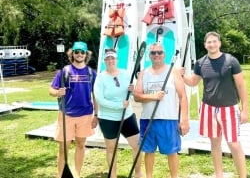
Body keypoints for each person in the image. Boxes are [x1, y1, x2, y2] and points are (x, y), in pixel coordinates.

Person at [181, 31, 249, 178]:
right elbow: (193, 82)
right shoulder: (200, 63)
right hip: (208, 108)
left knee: (234, 144)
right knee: (215, 143)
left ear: (219, 43)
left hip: (229, 108)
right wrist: (182, 75)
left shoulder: (231, 61)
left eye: (214, 41)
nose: (212, 44)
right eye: (209, 42)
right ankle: (219, 174)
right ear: (205, 45)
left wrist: (245, 110)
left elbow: (241, 86)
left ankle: (243, 176)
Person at [133, 43, 189, 178]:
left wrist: (184, 120)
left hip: (168, 119)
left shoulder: (173, 71)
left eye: (159, 52)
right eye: (153, 53)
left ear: (164, 54)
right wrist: (153, 96)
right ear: (149, 55)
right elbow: (137, 96)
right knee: (148, 151)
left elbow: (183, 97)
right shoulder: (143, 74)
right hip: (148, 119)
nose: (156, 55)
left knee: (172, 152)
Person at [49, 41, 98, 178]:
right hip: (67, 114)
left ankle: (77, 174)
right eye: (77, 51)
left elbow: (96, 95)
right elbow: (51, 90)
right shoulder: (64, 71)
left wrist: (96, 115)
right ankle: (61, 175)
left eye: (82, 52)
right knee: (63, 148)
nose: (79, 54)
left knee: (81, 145)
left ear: (86, 54)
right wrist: (58, 93)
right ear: (72, 53)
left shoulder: (91, 73)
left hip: (85, 115)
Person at [93, 48, 143, 178]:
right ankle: (113, 175)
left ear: (117, 60)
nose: (110, 60)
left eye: (113, 58)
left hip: (127, 116)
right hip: (108, 118)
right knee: (111, 149)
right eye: (108, 58)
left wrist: (132, 90)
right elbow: (99, 99)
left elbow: (134, 92)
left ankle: (138, 173)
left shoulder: (126, 74)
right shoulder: (100, 78)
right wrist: (118, 106)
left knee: (137, 145)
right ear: (105, 61)